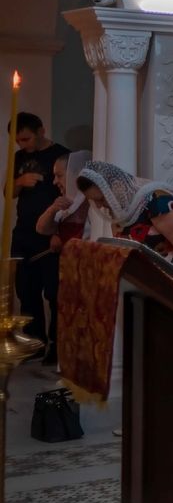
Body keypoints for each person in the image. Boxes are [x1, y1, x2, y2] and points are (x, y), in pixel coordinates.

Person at [73, 159, 173, 280]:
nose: (99, 206)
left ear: (116, 186)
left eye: (101, 199)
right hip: (153, 287)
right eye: (94, 201)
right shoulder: (120, 214)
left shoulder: (157, 202)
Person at [11, 113, 69, 358]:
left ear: (41, 131)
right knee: (25, 290)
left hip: (50, 233)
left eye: (26, 139)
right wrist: (20, 181)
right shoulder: (19, 157)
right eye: (18, 141)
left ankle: (57, 346)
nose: (22, 145)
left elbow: (69, 198)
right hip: (23, 231)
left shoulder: (61, 155)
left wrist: (59, 232)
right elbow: (8, 193)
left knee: (54, 292)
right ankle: (34, 344)